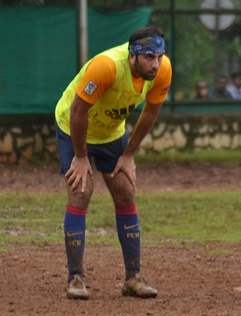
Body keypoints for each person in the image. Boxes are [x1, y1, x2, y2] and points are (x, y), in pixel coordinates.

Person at [55, 26, 172, 300]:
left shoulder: (162, 70)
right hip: (73, 127)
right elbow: (78, 110)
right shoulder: (106, 67)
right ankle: (76, 278)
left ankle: (133, 279)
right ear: (133, 56)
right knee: (81, 192)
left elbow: (151, 112)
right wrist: (81, 157)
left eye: (159, 56)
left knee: (125, 192)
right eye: (149, 57)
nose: (156, 64)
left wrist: (128, 154)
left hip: (110, 133)